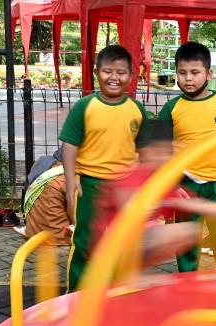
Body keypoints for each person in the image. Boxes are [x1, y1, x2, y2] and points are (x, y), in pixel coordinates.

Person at [58, 44, 147, 292]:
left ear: (131, 76)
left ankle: (119, 292)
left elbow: (146, 150)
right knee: (87, 241)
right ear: (97, 72)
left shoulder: (136, 110)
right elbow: (69, 145)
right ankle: (76, 294)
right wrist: (70, 181)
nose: (114, 78)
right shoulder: (85, 106)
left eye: (121, 72)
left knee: (125, 241)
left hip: (125, 186)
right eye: (108, 71)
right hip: (90, 183)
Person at [157, 41, 216, 272]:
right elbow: (159, 153)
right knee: (187, 241)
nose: (188, 79)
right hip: (187, 187)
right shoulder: (171, 108)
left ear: (209, 73)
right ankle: (187, 283)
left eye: (194, 73)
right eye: (182, 73)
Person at [93, 122, 216, 268]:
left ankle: (136, 273)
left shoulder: (161, 179)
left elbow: (184, 202)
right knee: (168, 234)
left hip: (133, 242)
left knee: (189, 231)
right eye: (158, 152)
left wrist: (213, 208)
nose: (164, 158)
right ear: (145, 152)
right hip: (112, 245)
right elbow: (126, 208)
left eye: (168, 153)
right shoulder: (133, 177)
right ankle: (127, 274)